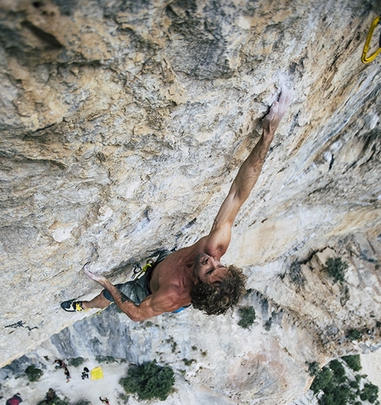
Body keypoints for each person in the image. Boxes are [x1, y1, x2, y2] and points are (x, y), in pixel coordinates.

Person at [61, 88, 292, 320]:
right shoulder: (214, 251)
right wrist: (267, 137)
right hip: (166, 262)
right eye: (219, 265)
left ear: (197, 284)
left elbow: (137, 314)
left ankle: (86, 305)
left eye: (209, 270)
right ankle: (148, 270)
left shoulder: (172, 295)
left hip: (149, 286)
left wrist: (107, 283)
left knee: (107, 296)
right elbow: (238, 195)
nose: (211, 260)